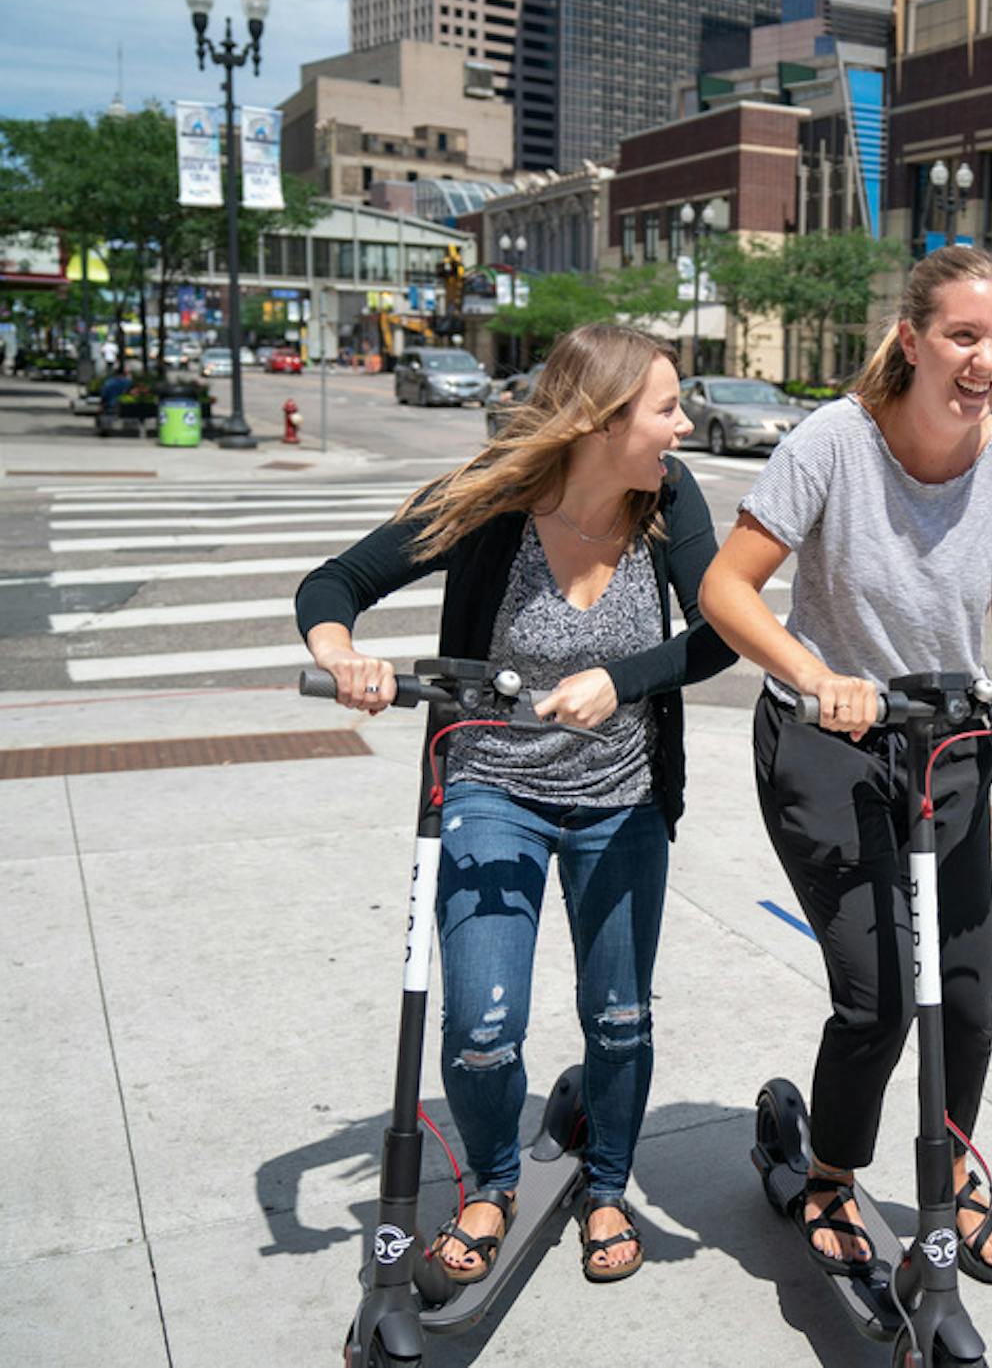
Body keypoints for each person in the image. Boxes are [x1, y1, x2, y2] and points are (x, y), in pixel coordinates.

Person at [296, 322, 733, 1286]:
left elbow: (718, 635)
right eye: (666, 409)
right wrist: (342, 654)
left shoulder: (667, 501)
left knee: (619, 1017)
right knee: (483, 1030)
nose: (683, 428)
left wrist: (622, 680)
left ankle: (608, 1186)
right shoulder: (496, 496)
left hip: (620, 797)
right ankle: (493, 1178)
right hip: (493, 787)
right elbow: (337, 582)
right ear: (599, 420)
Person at [699, 245, 992, 1285]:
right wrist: (814, 671)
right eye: (964, 335)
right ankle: (829, 1172)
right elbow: (727, 589)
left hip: (946, 746)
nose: (986, 360)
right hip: (827, 745)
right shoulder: (834, 441)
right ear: (912, 339)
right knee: (876, 996)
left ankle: (952, 1163)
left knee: (965, 995)